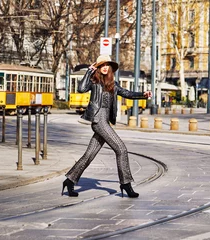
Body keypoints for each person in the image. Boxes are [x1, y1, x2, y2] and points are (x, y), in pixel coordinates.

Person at [62, 55, 152, 198]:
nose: (104, 67)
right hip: (98, 120)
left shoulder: (112, 84)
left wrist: (143, 95)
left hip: (105, 121)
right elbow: (80, 89)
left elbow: (127, 93)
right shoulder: (94, 81)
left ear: (110, 68)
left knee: (89, 154)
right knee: (121, 149)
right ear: (97, 67)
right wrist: (88, 71)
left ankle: (70, 180)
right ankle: (125, 184)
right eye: (101, 65)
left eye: (107, 65)